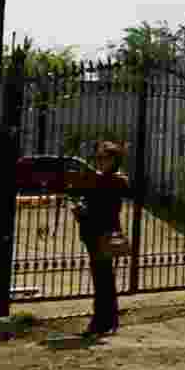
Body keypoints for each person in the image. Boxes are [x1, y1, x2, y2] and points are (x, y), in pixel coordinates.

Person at [73, 141, 130, 336]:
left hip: (104, 234)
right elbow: (87, 201)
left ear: (114, 160)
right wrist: (80, 210)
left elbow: (105, 204)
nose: (100, 162)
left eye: (104, 158)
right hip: (91, 233)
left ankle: (100, 322)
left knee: (103, 278)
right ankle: (109, 319)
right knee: (103, 277)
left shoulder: (117, 180)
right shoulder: (98, 179)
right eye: (98, 158)